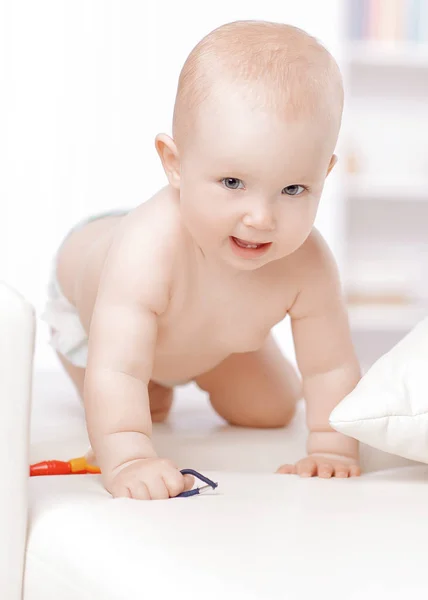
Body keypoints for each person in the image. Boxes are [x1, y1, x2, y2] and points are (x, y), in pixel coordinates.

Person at [42, 20, 361, 500]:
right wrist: (128, 457)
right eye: (233, 183)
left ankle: (179, 370)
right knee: (134, 400)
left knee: (272, 408)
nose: (260, 218)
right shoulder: (148, 246)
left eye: (293, 189)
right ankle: (152, 388)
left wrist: (333, 447)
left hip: (208, 329)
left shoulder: (307, 261)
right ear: (174, 162)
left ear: (325, 172)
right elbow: (119, 370)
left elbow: (329, 367)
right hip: (93, 311)